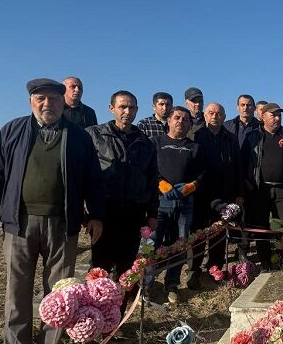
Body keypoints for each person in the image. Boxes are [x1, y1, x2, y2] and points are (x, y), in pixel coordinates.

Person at [0, 78, 104, 344]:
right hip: (19, 223)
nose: (47, 104)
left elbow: (93, 179)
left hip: (63, 223)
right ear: (31, 102)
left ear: (63, 103)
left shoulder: (78, 137)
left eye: (54, 99)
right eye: (40, 98)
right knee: (17, 289)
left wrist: (95, 215)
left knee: (60, 290)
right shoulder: (12, 130)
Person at [87, 91, 158, 312]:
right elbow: (84, 175)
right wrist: (88, 213)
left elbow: (151, 180)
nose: (127, 111)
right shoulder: (95, 136)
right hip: (105, 213)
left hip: (134, 214)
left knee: (127, 269)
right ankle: (95, 315)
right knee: (100, 269)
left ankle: (117, 316)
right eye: (122, 107)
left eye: (132, 107)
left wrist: (152, 213)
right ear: (111, 108)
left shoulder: (145, 143)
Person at [151, 106, 206, 304]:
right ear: (169, 120)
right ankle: (146, 283)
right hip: (161, 201)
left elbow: (203, 171)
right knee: (154, 243)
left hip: (185, 201)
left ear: (190, 124)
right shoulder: (156, 143)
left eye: (185, 119)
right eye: (177, 117)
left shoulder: (195, 147)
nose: (181, 121)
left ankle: (172, 283)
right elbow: (148, 167)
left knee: (180, 243)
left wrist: (193, 185)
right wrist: (160, 182)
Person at [187, 103, 244, 288]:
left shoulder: (231, 138)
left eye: (219, 113)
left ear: (224, 116)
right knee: (198, 235)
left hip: (224, 193)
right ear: (205, 116)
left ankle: (214, 269)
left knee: (218, 234)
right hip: (200, 194)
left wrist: (239, 192)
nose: (215, 116)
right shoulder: (195, 135)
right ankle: (194, 271)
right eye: (211, 113)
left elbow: (238, 166)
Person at [241, 103, 283, 271]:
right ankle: (265, 263)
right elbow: (242, 163)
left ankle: (282, 261)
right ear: (263, 116)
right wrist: (248, 185)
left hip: (282, 190)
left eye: (279, 115)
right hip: (259, 189)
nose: (277, 118)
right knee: (261, 227)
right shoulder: (252, 137)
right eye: (273, 115)